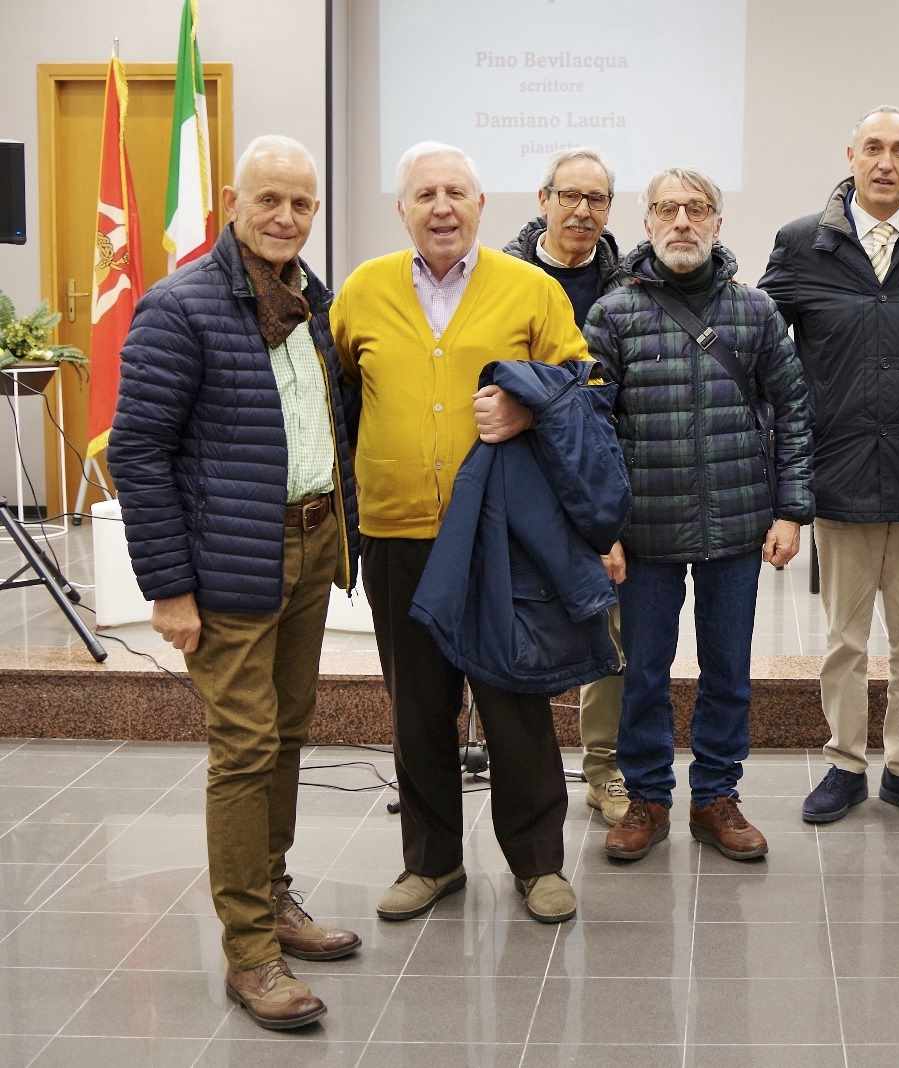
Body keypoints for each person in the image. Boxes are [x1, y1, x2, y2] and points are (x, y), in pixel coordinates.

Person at [109, 135, 360, 1030]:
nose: (287, 217)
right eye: (270, 201)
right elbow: (137, 452)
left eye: (301, 203)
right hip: (225, 567)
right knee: (246, 748)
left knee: (289, 734)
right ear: (231, 199)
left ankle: (276, 894)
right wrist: (170, 588)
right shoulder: (179, 308)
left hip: (308, 549)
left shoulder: (308, 301)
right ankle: (249, 951)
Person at [331, 141, 590, 925]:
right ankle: (432, 863)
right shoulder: (363, 291)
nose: (440, 206)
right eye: (424, 194)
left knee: (515, 702)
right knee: (417, 707)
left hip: (500, 535)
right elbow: (341, 397)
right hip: (398, 535)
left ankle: (539, 864)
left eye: (455, 192)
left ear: (482, 205)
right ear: (401, 210)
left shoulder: (531, 290)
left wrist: (526, 404)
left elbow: (583, 384)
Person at [590, 167, 814, 863]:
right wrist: (602, 529)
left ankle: (717, 794)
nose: (682, 222)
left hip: (737, 523)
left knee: (727, 671)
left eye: (697, 209)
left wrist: (792, 510)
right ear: (647, 221)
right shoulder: (612, 314)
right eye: (667, 209)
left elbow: (794, 412)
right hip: (643, 531)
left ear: (717, 221)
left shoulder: (754, 311)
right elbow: (591, 428)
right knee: (645, 672)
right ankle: (648, 799)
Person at [760, 105, 899, 825]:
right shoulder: (801, 243)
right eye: (874, 148)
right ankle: (846, 764)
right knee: (844, 640)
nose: (886, 162)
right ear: (850, 154)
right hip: (840, 473)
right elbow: (757, 338)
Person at [503, 146, 630, 825]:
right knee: (518, 626)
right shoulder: (497, 277)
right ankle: (524, 775)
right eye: (570, 195)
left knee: (610, 635)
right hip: (520, 481)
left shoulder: (629, 285)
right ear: (543, 198)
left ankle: (604, 770)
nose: (583, 210)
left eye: (598, 199)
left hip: (599, 481)